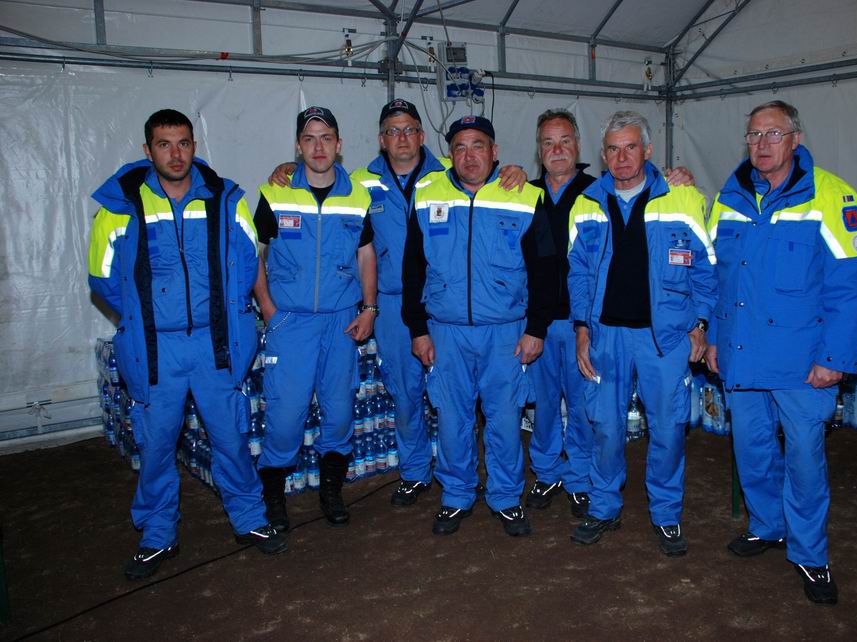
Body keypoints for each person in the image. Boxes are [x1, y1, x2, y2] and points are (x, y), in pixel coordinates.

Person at [267, 100, 528, 508]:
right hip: (390, 305)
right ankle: (415, 470)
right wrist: (288, 168)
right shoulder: (359, 182)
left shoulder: (448, 171)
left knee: (460, 398)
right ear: (381, 139)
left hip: (446, 305)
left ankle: (477, 479)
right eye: (392, 130)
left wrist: (515, 170)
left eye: (409, 129)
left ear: (422, 136)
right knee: (405, 393)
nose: (401, 138)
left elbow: (485, 171)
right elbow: (319, 180)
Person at [88, 109, 287, 580]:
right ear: (148, 150)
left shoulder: (226, 199)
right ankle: (158, 534)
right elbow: (103, 278)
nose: (175, 154)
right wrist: (146, 317)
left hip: (215, 347)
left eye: (183, 143)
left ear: (195, 146)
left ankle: (249, 519)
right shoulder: (120, 206)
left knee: (230, 438)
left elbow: (247, 262)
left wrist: (230, 318)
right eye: (164, 144)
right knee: (156, 444)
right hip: (156, 351)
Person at [705, 100, 857, 605]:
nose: (762, 144)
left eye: (773, 134)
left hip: (802, 363)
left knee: (804, 459)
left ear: (796, 139)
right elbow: (718, 280)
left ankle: (810, 554)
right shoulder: (729, 198)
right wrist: (713, 337)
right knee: (752, 449)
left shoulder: (833, 197)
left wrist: (835, 358)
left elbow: (851, 288)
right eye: (754, 135)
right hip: (743, 353)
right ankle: (767, 525)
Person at [525, 108, 696, 519]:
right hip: (544, 323)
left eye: (565, 140)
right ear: (539, 150)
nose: (557, 149)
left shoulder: (592, 192)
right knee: (546, 407)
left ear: (580, 146)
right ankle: (548, 473)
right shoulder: (523, 194)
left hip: (593, 325)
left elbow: (697, 261)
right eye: (548, 142)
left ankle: (581, 480)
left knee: (589, 412)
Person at [567, 111, 717, 555]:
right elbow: (577, 274)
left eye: (631, 147)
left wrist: (701, 323)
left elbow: (706, 270)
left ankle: (666, 514)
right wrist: (581, 329)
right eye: (613, 149)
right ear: (603, 155)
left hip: (664, 338)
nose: (622, 157)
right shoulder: (586, 204)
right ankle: (603, 507)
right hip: (606, 336)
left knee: (668, 429)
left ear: (648, 150)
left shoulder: (683, 198)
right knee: (605, 428)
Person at [402, 115, 558, 537]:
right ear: (449, 154)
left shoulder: (524, 196)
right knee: (452, 418)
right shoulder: (426, 195)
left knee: (504, 420)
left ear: (495, 151)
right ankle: (456, 494)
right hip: (446, 331)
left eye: (478, 146)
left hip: (506, 332)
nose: (469, 156)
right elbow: (412, 268)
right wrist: (417, 329)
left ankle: (506, 497)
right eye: (460, 147)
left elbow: (546, 270)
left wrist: (536, 328)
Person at [252, 106, 375, 530]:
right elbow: (255, 254)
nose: (318, 146)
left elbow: (366, 255)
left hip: (341, 322)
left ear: (339, 145)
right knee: (286, 416)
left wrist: (369, 308)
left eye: (326, 138)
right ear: (298, 146)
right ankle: (273, 498)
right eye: (309, 138)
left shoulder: (358, 196)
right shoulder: (275, 192)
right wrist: (269, 309)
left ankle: (331, 492)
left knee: (339, 414)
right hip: (291, 323)